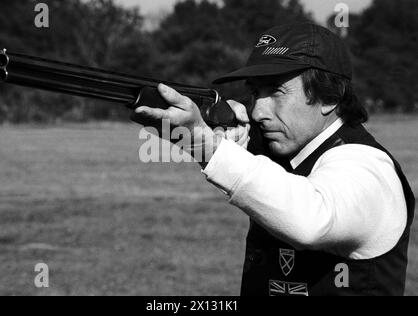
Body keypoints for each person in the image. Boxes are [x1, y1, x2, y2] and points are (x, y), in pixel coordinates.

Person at [131, 22, 415, 296]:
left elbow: (311, 220)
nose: (257, 111)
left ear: (329, 97)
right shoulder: (284, 150)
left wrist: (206, 144)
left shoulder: (367, 167)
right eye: (255, 92)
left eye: (276, 91)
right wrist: (225, 133)